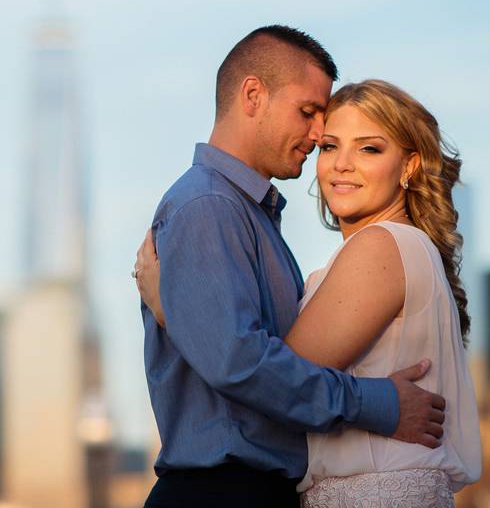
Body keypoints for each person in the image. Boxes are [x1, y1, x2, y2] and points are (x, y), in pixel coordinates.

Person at [131, 25, 448, 508]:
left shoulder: (249, 214)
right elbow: (239, 364)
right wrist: (378, 404)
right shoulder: (209, 206)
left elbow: (242, 357)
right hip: (222, 492)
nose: (320, 133)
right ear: (253, 95)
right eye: (308, 112)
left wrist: (174, 314)